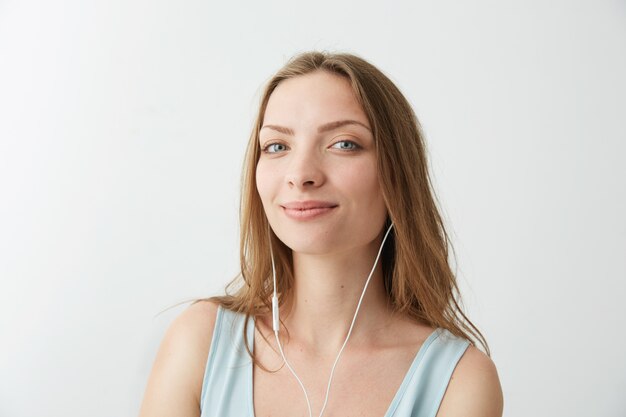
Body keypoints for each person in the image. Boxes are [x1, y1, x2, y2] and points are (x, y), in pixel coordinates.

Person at [138, 50, 503, 417]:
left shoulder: (460, 380)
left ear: (398, 172)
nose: (301, 173)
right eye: (277, 146)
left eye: (343, 143)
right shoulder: (198, 342)